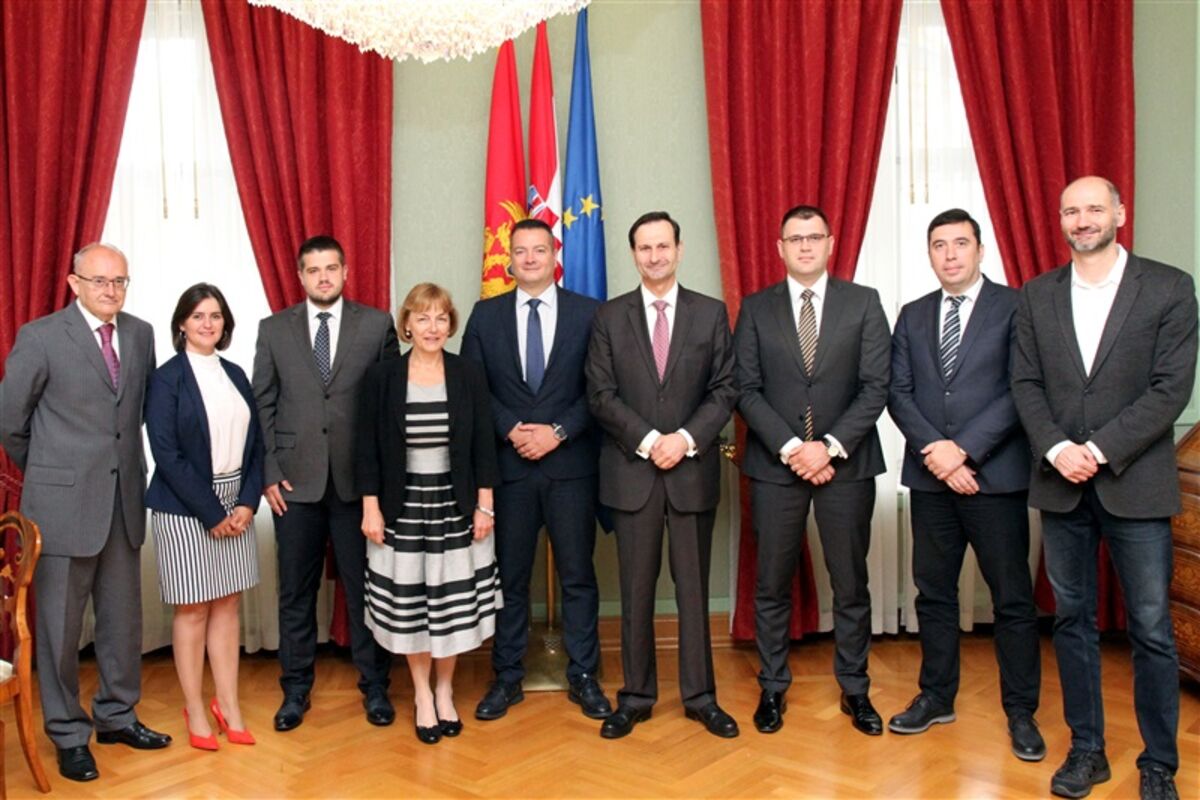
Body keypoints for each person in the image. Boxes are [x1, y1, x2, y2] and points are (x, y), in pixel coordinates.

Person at [1011, 176, 1196, 800]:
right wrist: (1058, 449)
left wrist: (1097, 450)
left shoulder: (1169, 287)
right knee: (1072, 620)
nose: (1083, 219)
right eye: (1071, 210)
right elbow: (1025, 384)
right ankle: (1086, 750)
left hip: (1135, 483)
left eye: (1094, 208)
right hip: (1059, 483)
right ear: (1060, 220)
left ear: (1119, 211)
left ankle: (1159, 763)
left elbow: (1170, 390)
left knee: (1151, 627)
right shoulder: (1037, 295)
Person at [0, 243, 169, 782]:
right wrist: (53, 472)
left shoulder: (141, 334)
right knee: (58, 628)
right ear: (74, 284)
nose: (110, 290)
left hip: (123, 503)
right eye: (99, 281)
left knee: (122, 622)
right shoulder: (41, 337)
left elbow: (138, 415)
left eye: (120, 281)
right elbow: (10, 421)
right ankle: (69, 734)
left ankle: (117, 716)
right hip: (60, 507)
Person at [886, 209, 1043, 760]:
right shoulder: (912, 314)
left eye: (960, 243)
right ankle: (936, 696)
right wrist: (939, 454)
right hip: (932, 480)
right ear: (929, 254)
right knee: (933, 593)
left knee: (1012, 599)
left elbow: (1021, 389)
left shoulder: (1016, 307)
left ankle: (1021, 711)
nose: (950, 254)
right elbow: (898, 392)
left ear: (980, 249)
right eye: (939, 245)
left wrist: (966, 450)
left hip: (994, 481)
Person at [733, 204, 889, 736]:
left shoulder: (863, 303)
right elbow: (745, 389)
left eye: (814, 237)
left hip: (847, 464)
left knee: (851, 583)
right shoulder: (756, 308)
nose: (805, 246)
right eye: (795, 238)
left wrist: (829, 447)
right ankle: (773, 686)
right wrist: (792, 448)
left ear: (830, 244)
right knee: (772, 583)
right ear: (780, 248)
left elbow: (876, 387)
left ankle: (856, 689)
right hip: (775, 466)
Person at [586, 211, 738, 739]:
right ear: (634, 254)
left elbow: (725, 388)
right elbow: (600, 395)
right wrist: (652, 441)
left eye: (663, 246)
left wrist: (685, 439)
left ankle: (701, 697)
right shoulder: (609, 317)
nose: (654, 256)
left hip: (691, 471)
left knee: (693, 591)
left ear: (679, 249)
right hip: (632, 473)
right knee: (635, 592)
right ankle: (635, 697)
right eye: (644, 248)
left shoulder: (710, 313)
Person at [462, 219, 610, 721]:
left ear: (554, 257)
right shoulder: (485, 315)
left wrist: (558, 432)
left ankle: (584, 675)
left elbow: (600, 389)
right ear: (509, 260)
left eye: (539, 250)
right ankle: (507, 676)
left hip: (571, 469)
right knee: (510, 578)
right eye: (521, 251)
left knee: (578, 577)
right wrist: (512, 429)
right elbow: (473, 389)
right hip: (510, 472)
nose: (529, 259)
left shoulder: (589, 313)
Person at [252, 235, 399, 731]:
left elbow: (388, 407)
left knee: (365, 591)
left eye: (331, 268)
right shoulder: (273, 329)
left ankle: (375, 687)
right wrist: (270, 472)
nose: (323, 277)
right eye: (313, 270)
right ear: (300, 276)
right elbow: (262, 402)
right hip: (295, 485)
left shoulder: (376, 325)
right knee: (295, 592)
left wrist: (382, 483)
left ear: (345, 271)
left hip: (359, 486)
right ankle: (295, 691)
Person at [356, 283, 501, 745]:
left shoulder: (468, 374)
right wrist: (371, 508)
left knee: (449, 604)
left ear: (450, 324)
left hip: (455, 504)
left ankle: (444, 690)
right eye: (422, 318)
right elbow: (367, 450)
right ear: (407, 325)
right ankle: (421, 693)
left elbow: (483, 445)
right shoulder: (382, 377)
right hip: (400, 507)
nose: (432, 327)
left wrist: (484, 505)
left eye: (440, 318)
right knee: (412, 605)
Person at [144, 283, 264, 751]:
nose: (207, 324)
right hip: (184, 507)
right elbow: (166, 454)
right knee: (193, 608)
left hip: (237, 504)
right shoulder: (167, 379)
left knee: (228, 604)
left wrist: (247, 503)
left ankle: (228, 705)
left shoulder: (235, 373)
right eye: (198, 316)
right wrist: (213, 513)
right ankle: (194, 707)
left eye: (215, 315)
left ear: (225, 323)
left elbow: (256, 446)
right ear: (182, 323)